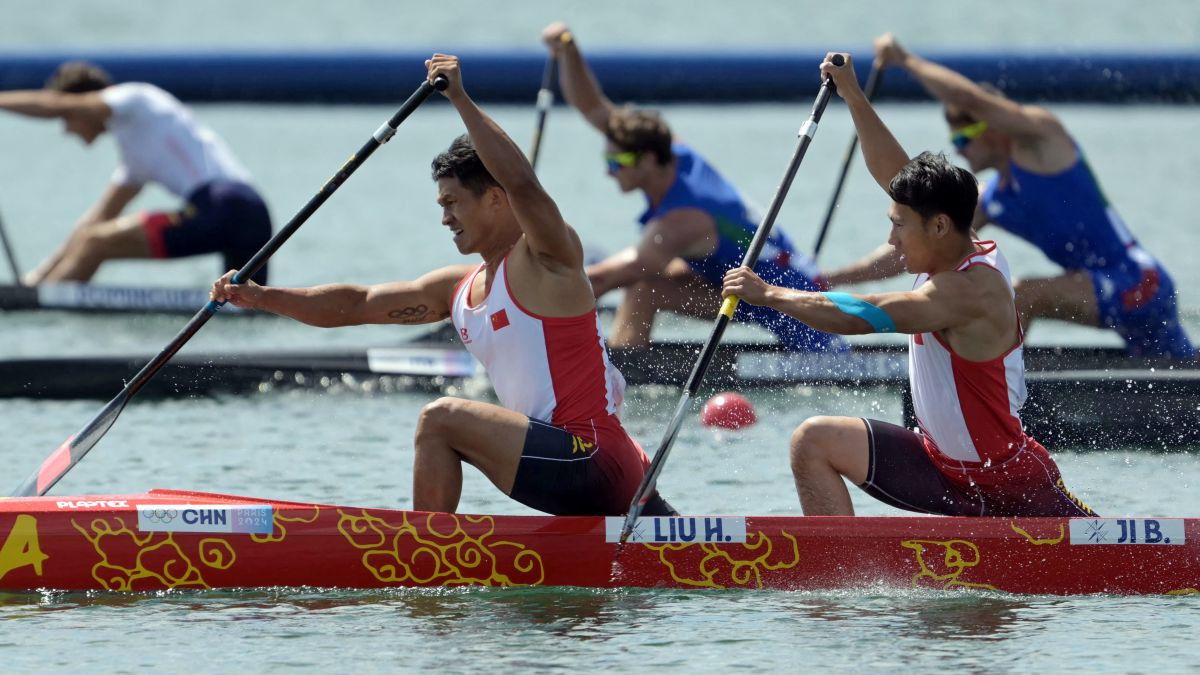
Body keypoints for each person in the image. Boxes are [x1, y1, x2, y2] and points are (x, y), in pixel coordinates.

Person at [211, 54, 675, 517]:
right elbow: (357, 304)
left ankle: (423, 562)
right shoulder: (458, 288)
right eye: (441, 204)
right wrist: (261, 297)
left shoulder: (548, 260)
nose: (444, 218)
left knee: (440, 420)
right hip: (592, 467)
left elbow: (522, 182)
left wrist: (459, 98)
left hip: (591, 455)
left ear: (495, 200)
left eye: (453, 202)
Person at [722, 53, 1096, 518]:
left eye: (899, 226)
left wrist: (770, 295)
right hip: (940, 467)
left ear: (939, 227)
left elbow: (863, 315)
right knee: (813, 441)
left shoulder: (967, 292)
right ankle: (837, 576)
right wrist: (852, 94)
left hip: (1007, 481)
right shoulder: (952, 238)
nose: (890, 238)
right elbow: (893, 173)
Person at [823, 35, 1193, 358]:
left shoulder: (1045, 143)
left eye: (965, 139)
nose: (960, 150)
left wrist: (906, 60)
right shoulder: (993, 198)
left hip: (1139, 281)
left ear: (995, 129)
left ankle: (1007, 399)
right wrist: (829, 279)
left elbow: (969, 97)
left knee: (1022, 295)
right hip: (1107, 290)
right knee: (1173, 364)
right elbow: (911, 244)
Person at [540, 22, 845, 352]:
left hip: (796, 314)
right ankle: (624, 355)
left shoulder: (681, 218)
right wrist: (569, 53)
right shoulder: (673, 152)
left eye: (616, 164)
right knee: (652, 275)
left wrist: (536, 307)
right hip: (780, 281)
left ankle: (621, 375)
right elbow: (594, 108)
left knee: (641, 286)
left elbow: (604, 280)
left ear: (648, 161)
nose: (609, 173)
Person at [0, 61, 271, 284]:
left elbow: (57, 104)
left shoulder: (133, 98)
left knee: (96, 244)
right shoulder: (134, 153)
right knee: (246, 305)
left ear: (82, 103)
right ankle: (46, 295)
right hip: (253, 212)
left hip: (221, 205)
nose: (66, 129)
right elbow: (94, 221)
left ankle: (48, 308)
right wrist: (37, 279)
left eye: (67, 119)